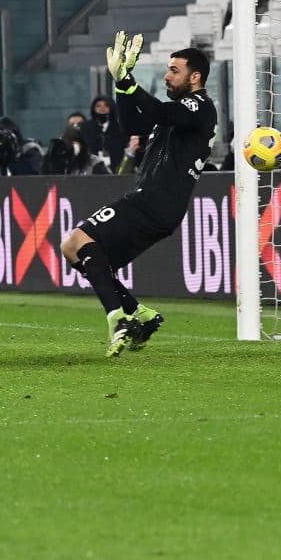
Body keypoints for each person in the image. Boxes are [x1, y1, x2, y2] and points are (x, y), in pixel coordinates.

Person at [61, 33, 217, 357]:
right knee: (84, 255)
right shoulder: (176, 113)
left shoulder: (200, 107)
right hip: (154, 204)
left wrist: (128, 80)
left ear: (195, 76)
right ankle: (140, 316)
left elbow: (160, 113)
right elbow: (130, 122)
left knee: (77, 241)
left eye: (175, 70)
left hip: (154, 202)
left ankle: (118, 319)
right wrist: (121, 84)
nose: (167, 75)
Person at [78, 95, 126, 170]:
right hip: (91, 169)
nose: (102, 108)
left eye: (106, 105)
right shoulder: (85, 127)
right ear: (93, 108)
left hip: (116, 169)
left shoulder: (120, 127)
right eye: (98, 106)